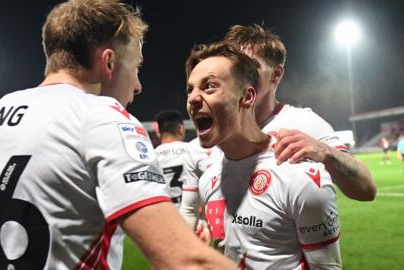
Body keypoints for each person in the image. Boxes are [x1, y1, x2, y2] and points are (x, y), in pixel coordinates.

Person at [0, 1, 236, 269]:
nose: (138, 85)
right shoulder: (100, 116)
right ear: (109, 63)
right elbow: (183, 260)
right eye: (136, 67)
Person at [180, 24, 376, 237]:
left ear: (276, 75)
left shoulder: (304, 124)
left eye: (251, 66)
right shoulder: (206, 139)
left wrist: (326, 152)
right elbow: (191, 211)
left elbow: (366, 189)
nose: (241, 73)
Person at [186, 41, 342, 269]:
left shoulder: (300, 179)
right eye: (190, 89)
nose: (193, 99)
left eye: (209, 86)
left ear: (247, 96)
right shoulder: (207, 180)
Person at [154, 109, 188, 205]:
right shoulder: (193, 150)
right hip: (194, 210)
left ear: (158, 132)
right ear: (181, 129)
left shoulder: (151, 157)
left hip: (166, 212)